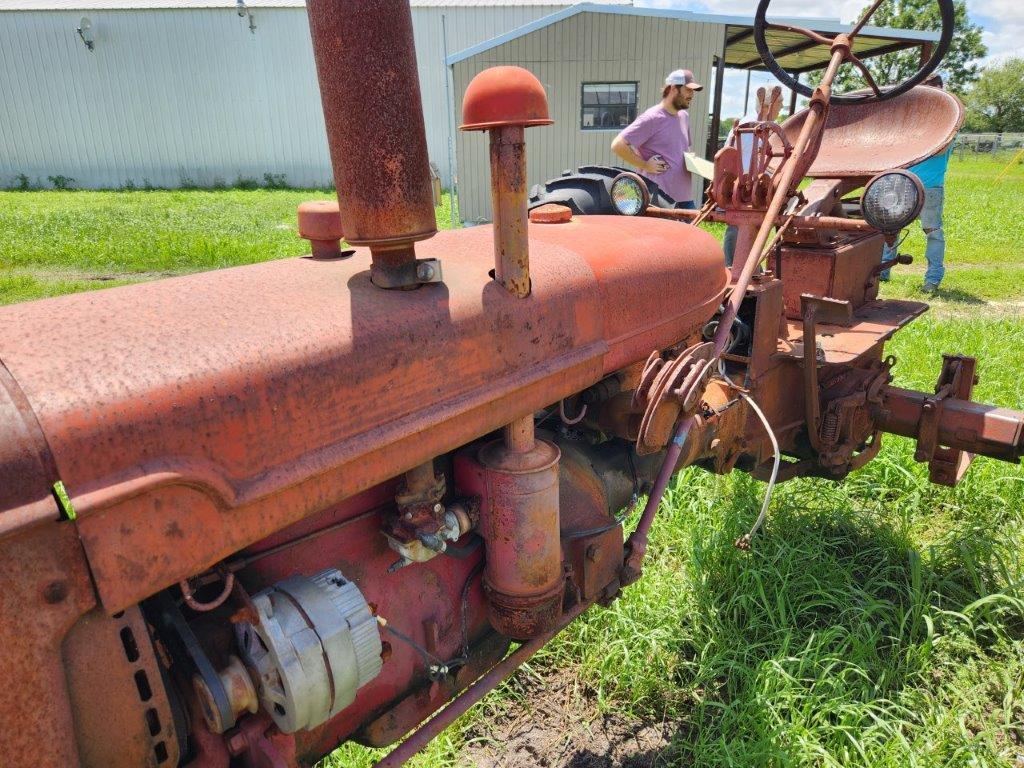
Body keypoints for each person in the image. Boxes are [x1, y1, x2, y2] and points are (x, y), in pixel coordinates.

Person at [881, 74, 952, 293]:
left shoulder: (948, 123)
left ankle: (932, 279)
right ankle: (882, 271)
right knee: (890, 228)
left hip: (929, 187)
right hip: (902, 182)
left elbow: (939, 149)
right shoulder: (914, 122)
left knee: (933, 232)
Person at [611, 69, 703, 209]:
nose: (692, 95)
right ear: (673, 88)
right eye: (688, 90)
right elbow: (618, 145)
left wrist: (692, 159)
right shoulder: (652, 118)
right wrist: (645, 165)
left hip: (685, 198)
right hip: (659, 201)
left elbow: (683, 148)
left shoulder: (684, 116)